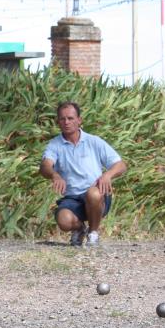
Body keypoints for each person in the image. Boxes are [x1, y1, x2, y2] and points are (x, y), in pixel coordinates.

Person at [40, 101, 127, 247]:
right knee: (63, 221)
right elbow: (45, 166)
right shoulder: (54, 144)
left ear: (79, 120)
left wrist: (107, 175)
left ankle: (93, 234)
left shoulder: (94, 141)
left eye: (70, 118)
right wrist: (55, 175)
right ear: (58, 122)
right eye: (62, 119)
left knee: (93, 193)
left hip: (96, 197)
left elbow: (121, 165)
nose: (66, 122)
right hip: (72, 198)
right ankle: (80, 229)